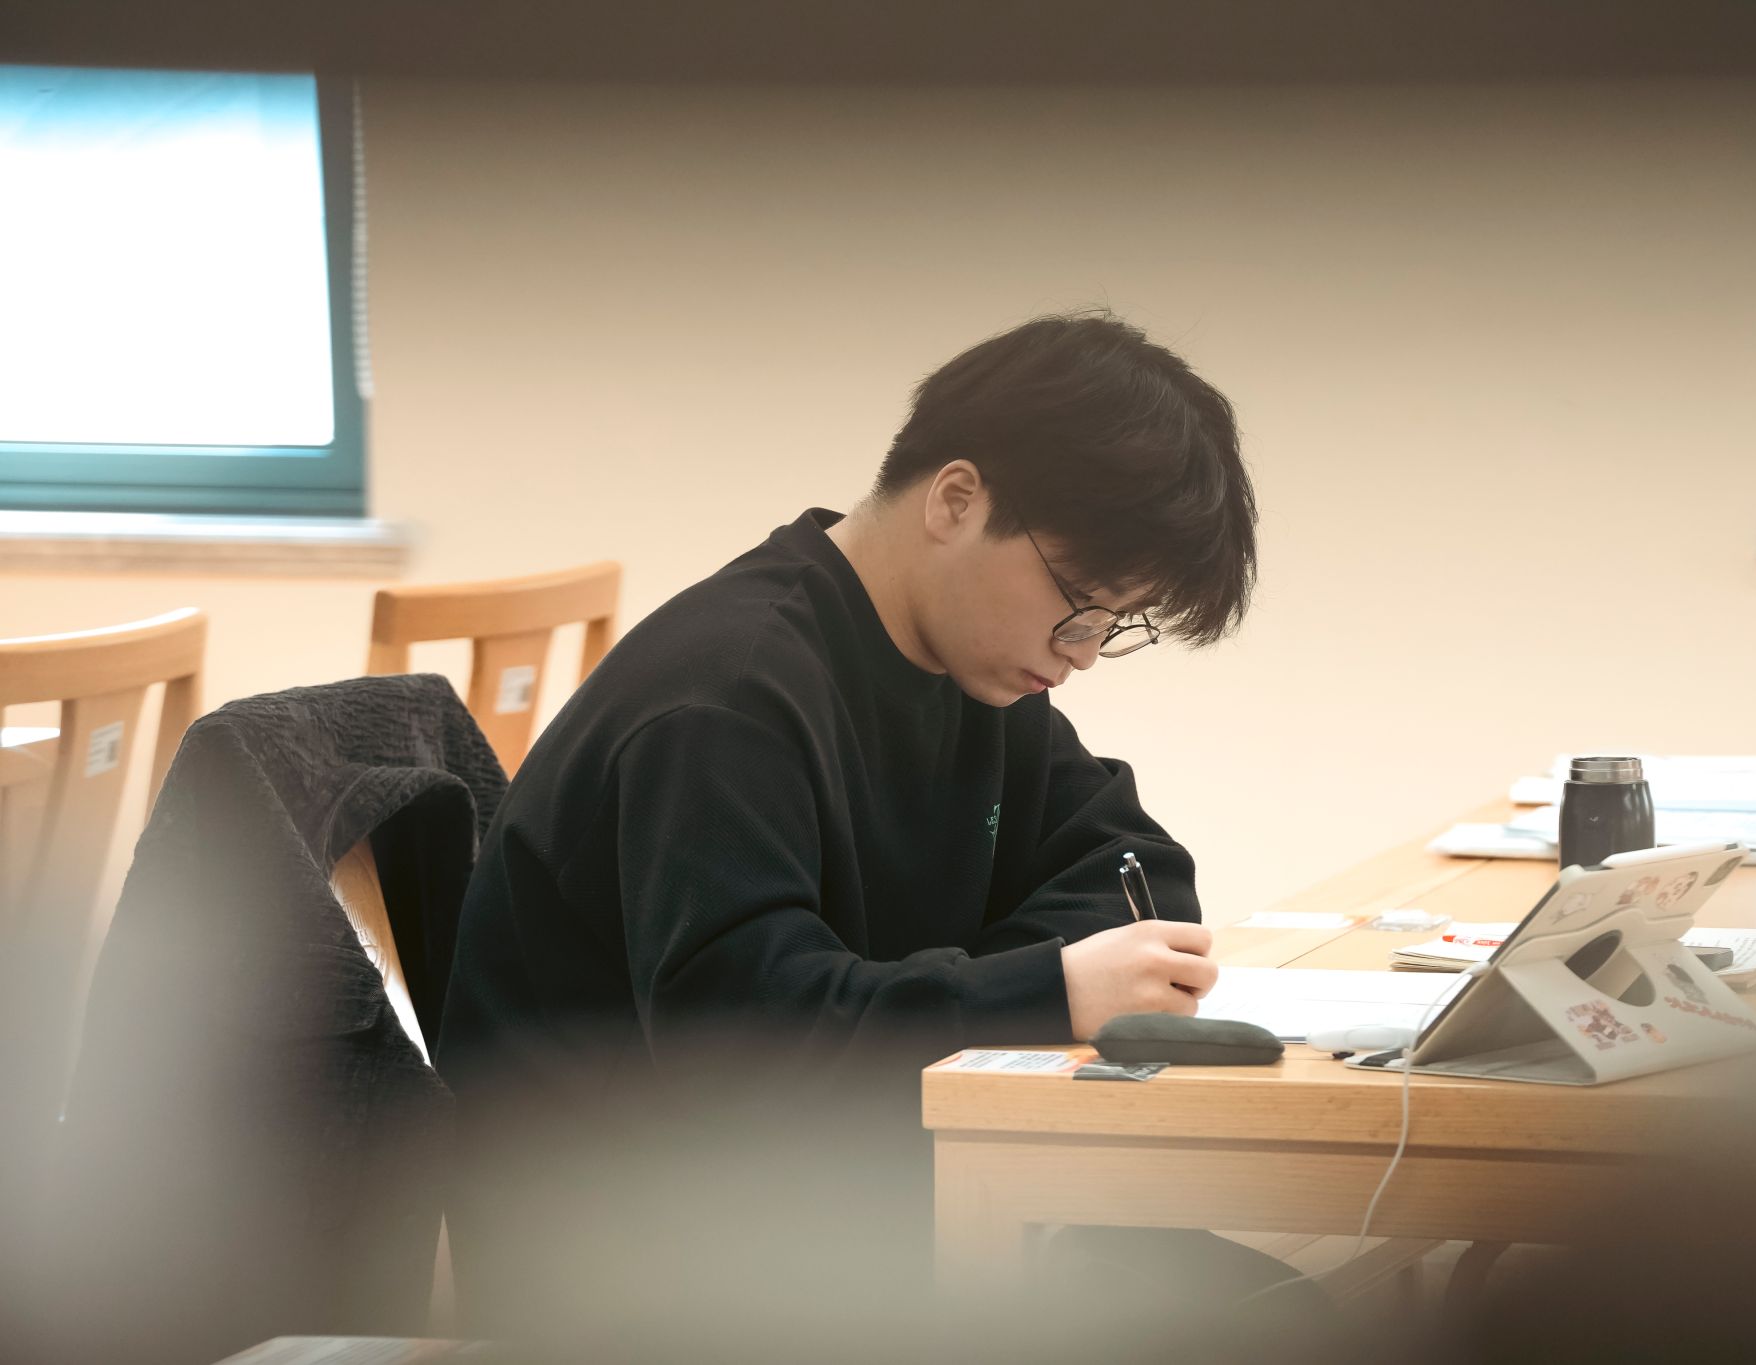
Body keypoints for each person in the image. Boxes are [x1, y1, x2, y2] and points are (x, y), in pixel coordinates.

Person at [433, 311, 1262, 1345]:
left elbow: (1138, 867)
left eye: (1110, 624)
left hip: (829, 1203)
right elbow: (741, 1042)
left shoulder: (966, 666)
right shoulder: (725, 700)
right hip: (641, 1264)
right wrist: (1037, 990)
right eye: (1080, 605)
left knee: (1250, 1303)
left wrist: (980, 993)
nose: (1083, 652)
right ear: (956, 500)